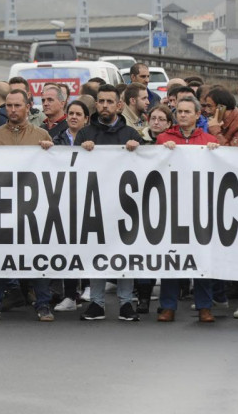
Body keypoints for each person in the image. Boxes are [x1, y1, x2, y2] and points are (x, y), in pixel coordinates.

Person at [0, 89, 55, 322]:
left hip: (33, 208)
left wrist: (50, 152)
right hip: (3, 207)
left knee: (37, 257)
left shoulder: (41, 135)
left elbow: (54, 170)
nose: (12, 110)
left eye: (17, 106)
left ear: (27, 107)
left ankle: (43, 304)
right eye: (8, 106)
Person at [78, 84, 142, 322]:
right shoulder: (85, 134)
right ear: (96, 104)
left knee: (125, 251)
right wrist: (82, 150)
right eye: (101, 101)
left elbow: (145, 167)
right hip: (95, 203)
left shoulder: (131, 135)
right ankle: (97, 302)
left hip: (125, 205)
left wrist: (137, 150)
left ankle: (126, 303)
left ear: (119, 105)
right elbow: (70, 166)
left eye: (109, 101)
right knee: (97, 252)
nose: (104, 105)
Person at [154, 95, 219, 324]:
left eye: (187, 112)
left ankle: (204, 306)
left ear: (197, 115)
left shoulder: (209, 139)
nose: (182, 115)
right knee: (171, 257)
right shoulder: (163, 138)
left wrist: (215, 151)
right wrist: (163, 151)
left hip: (200, 207)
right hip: (172, 206)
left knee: (202, 257)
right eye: (179, 111)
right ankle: (168, 306)